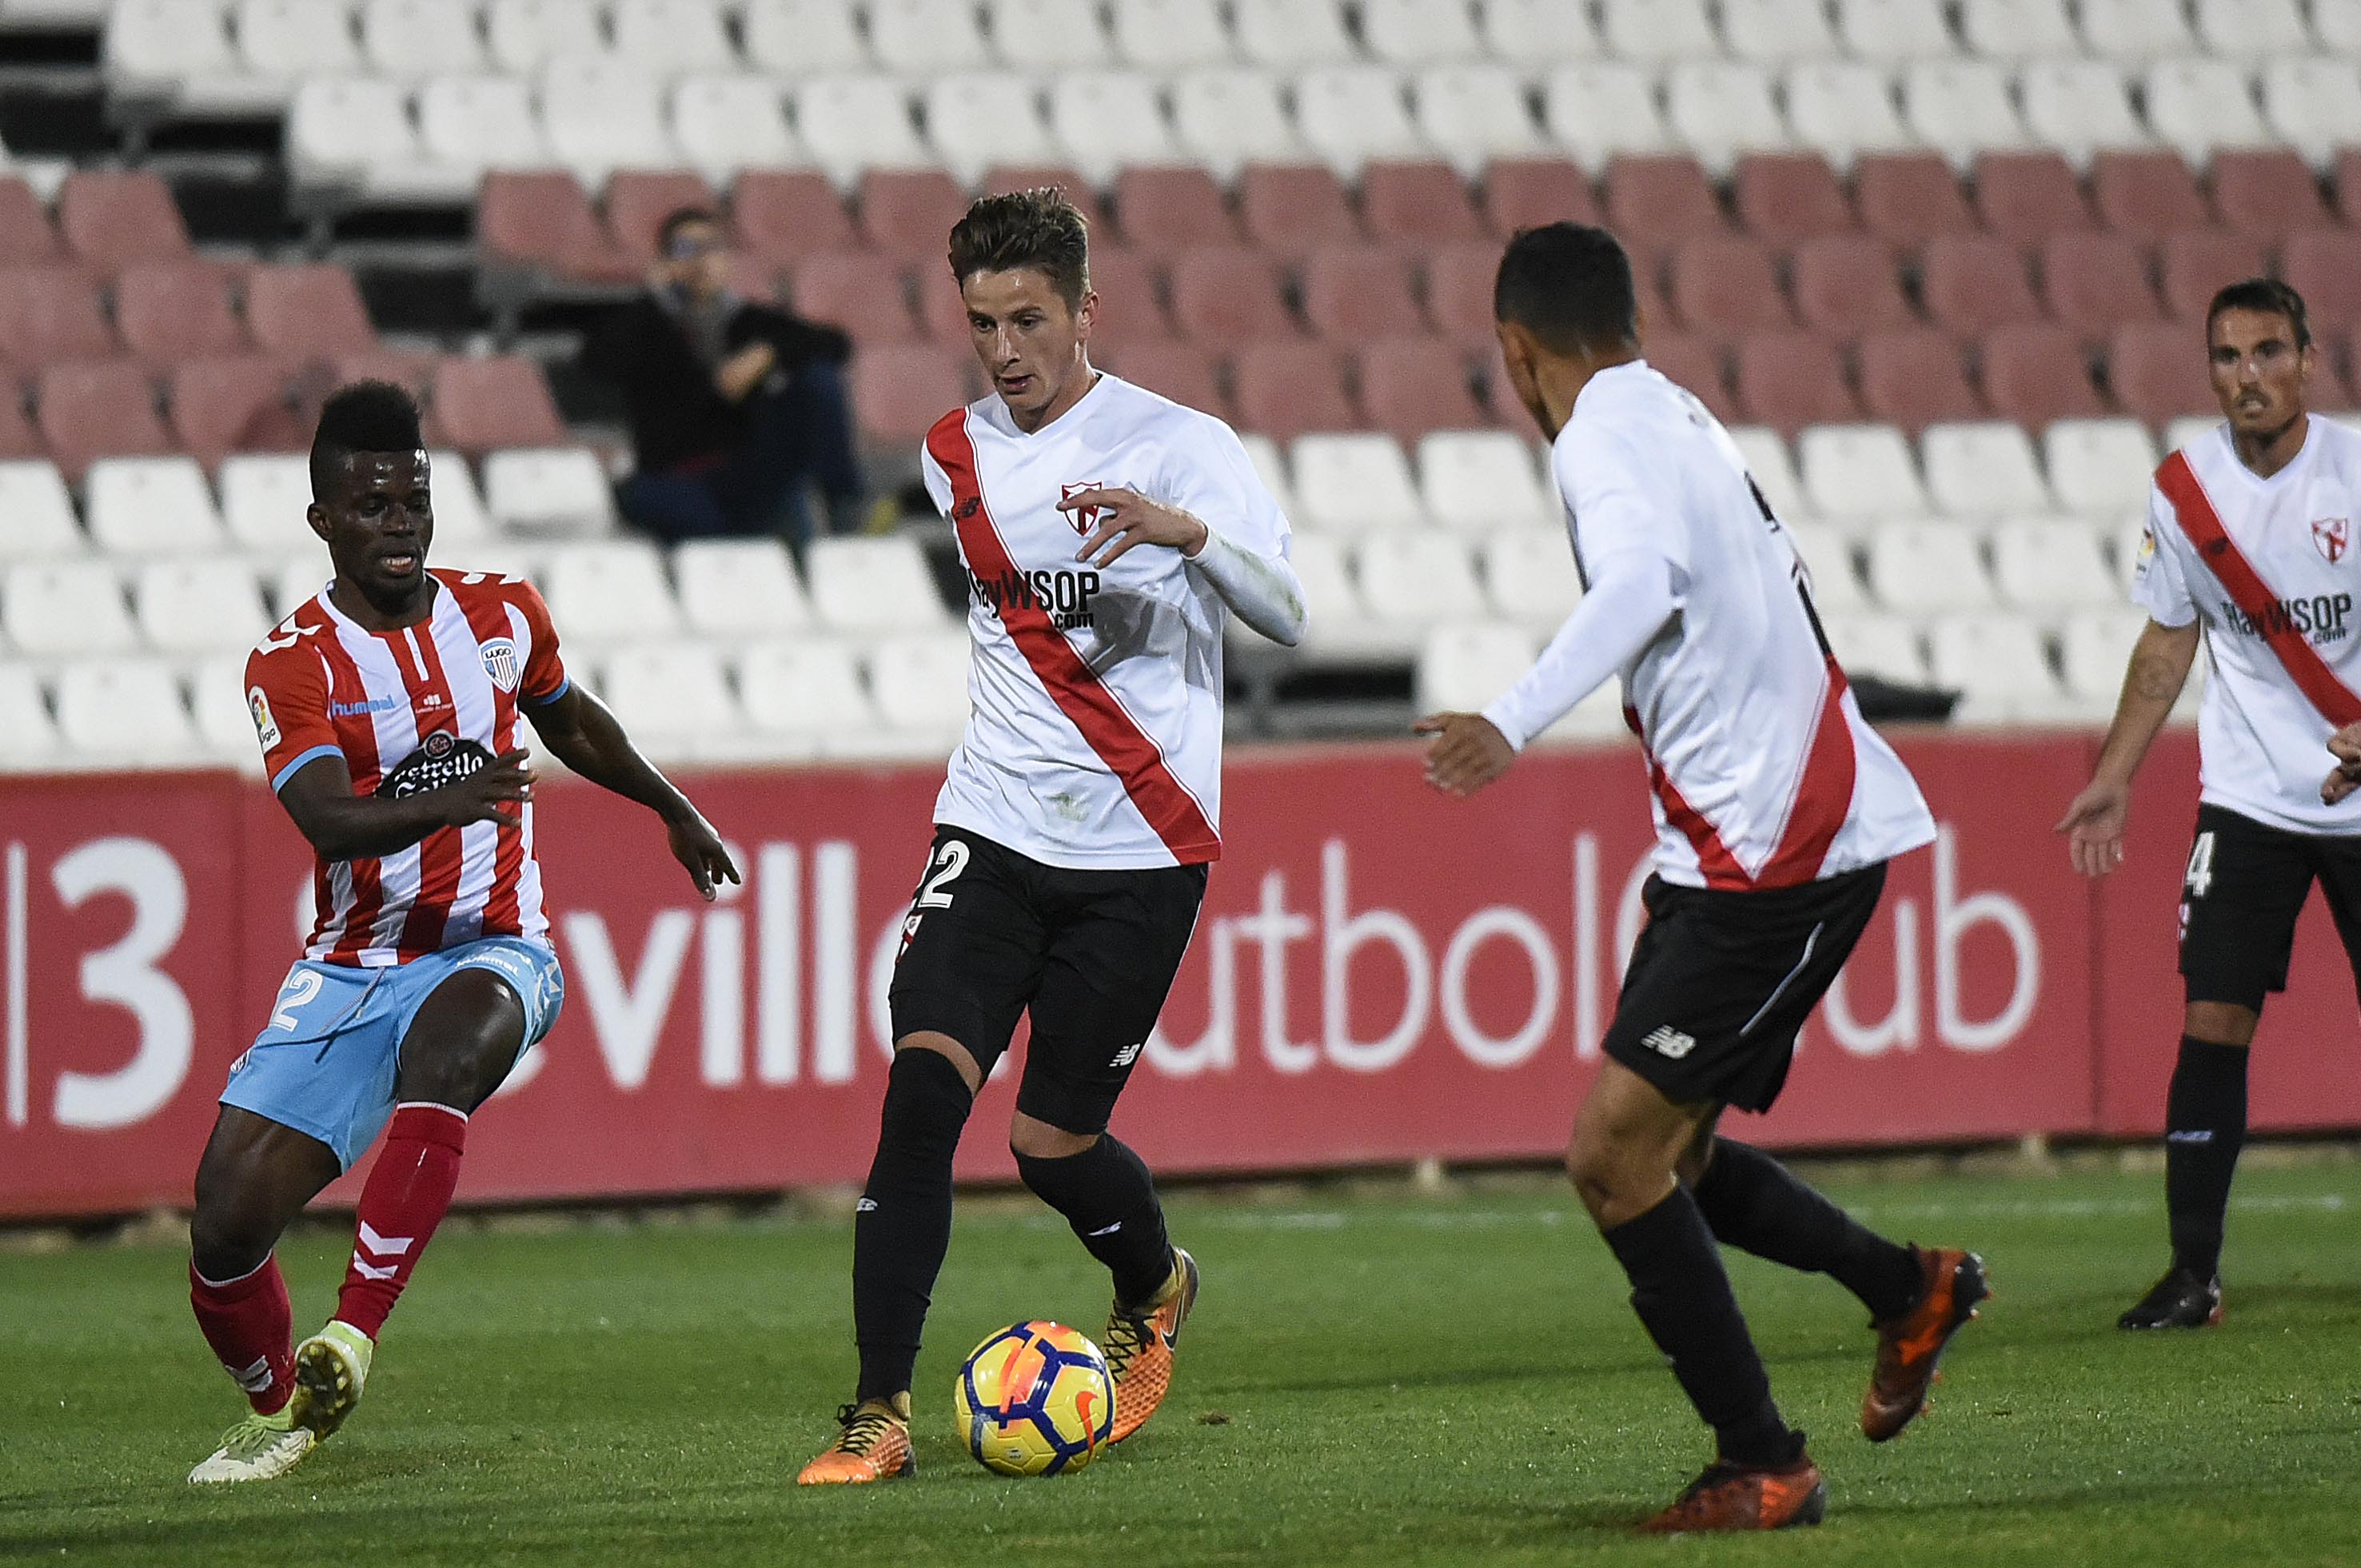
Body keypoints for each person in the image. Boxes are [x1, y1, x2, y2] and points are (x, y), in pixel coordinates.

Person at [1416, 225, 1985, 1533]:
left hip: (1775, 845)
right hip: (1742, 839)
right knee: (1667, 1153)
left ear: (1514, 351)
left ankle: (1760, 1461)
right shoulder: (1672, 410)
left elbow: (1639, 586)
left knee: (1612, 1158)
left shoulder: (1598, 440)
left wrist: (1508, 717)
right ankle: (1908, 1290)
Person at [795, 189, 1308, 1485]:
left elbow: (1289, 609)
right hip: (995, 823)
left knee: (1048, 1145)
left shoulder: (1182, 446)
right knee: (922, 1094)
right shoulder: (950, 455)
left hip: (1143, 846)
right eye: (983, 323)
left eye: (1030, 317)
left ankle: (1154, 1282)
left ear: (1089, 309)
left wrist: (1184, 534)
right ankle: (875, 1416)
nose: (1007, 348)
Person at [185, 381, 739, 1485]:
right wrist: (451, 798)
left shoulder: (500, 615)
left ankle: (352, 1333)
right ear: (324, 522)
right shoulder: (291, 662)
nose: (400, 525)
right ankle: (286, 1406)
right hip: (350, 962)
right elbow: (324, 815)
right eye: (374, 505)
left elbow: (570, 718)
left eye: (415, 502)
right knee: (222, 1225)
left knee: (450, 1044)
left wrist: (672, 806)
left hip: (496, 945)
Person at [2056, 278, 2361, 1331]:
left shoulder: (2355, 475)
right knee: (2211, 1022)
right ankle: (2193, 1273)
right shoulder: (2180, 491)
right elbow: (2166, 638)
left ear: (2309, 361)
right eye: (2227, 357)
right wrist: (2114, 775)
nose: (2247, 376)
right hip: (2249, 799)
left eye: (2268, 352)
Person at [586, 205, 865, 548]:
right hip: (676, 476)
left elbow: (835, 344)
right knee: (637, 495)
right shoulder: (648, 323)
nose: (701, 261)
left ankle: (847, 508)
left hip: (745, 472)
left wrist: (767, 353)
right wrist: (656, 299)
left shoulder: (749, 321)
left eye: (711, 249)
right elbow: (598, 361)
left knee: (817, 381)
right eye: (687, 250)